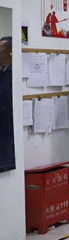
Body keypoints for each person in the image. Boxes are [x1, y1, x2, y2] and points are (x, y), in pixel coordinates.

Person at [0, 37, 14, 172]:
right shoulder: (1, 71)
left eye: (0, 48)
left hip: (10, 121)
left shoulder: (14, 72)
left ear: (10, 50)